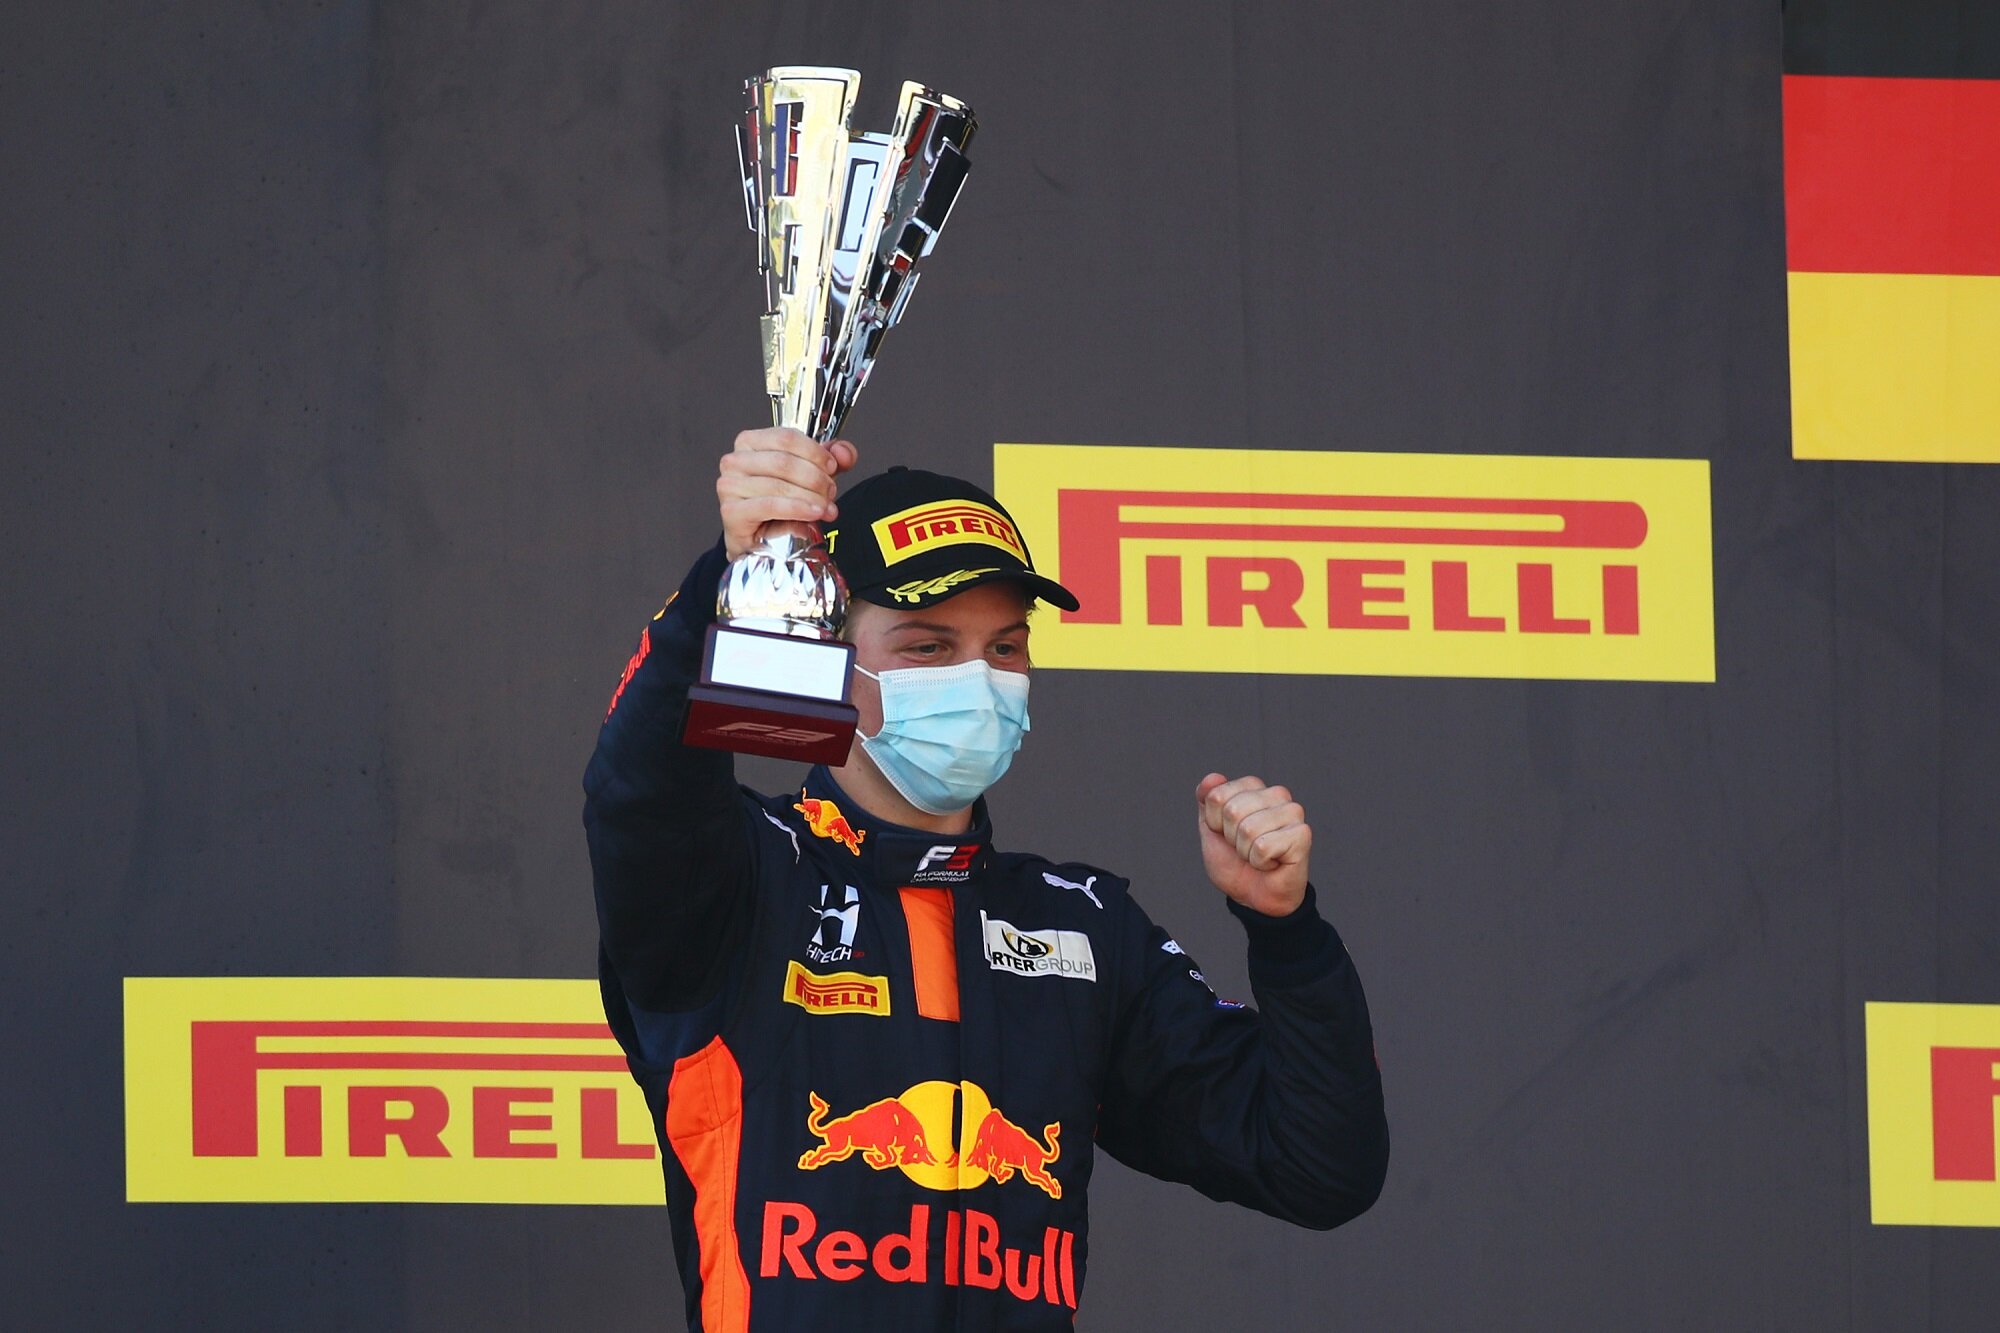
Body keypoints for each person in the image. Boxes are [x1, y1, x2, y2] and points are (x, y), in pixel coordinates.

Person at [585, 427, 1389, 1332]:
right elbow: (635, 791)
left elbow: (1320, 1168)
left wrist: (1287, 934)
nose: (979, 679)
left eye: (1006, 647)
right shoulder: (745, 873)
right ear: (828, 656)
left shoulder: (1084, 926)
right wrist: (729, 576)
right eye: (929, 647)